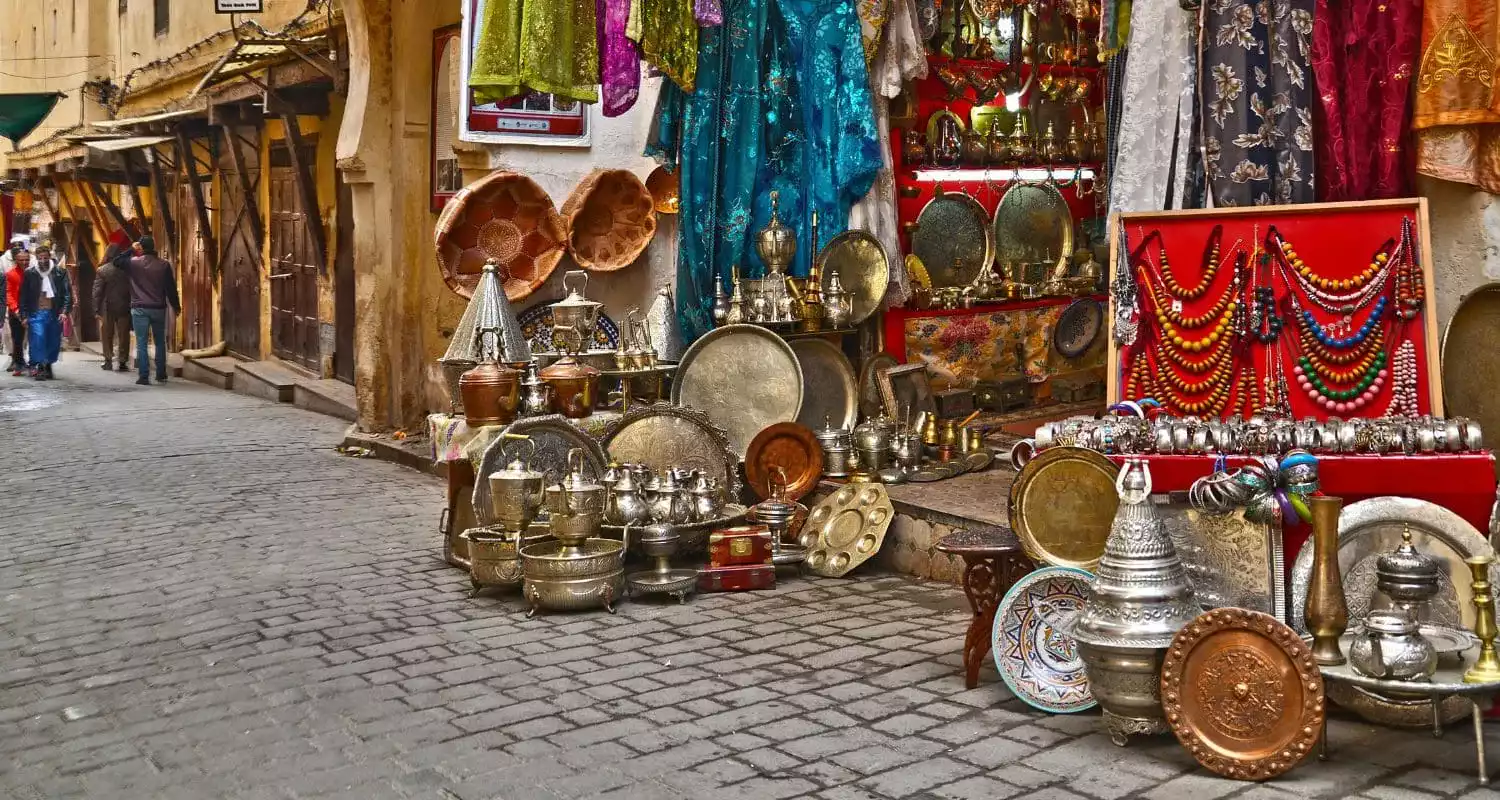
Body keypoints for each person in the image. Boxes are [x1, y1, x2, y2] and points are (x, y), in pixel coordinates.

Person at [115, 235, 179, 386]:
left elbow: (116, 261)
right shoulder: (164, 265)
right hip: (158, 308)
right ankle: (161, 374)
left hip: (139, 309)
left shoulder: (132, 263)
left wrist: (131, 249)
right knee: (160, 342)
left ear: (141, 248)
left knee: (142, 343)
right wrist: (176, 306)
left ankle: (144, 376)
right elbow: (170, 288)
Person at [18, 245, 71, 380]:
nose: (42, 261)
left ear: (50, 257)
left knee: (53, 340)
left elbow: (67, 293)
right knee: (38, 338)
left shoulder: (60, 272)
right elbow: (23, 295)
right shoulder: (30, 273)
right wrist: (24, 315)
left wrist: (64, 311)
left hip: (54, 312)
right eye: (40, 258)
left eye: (45, 258)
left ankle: (48, 365)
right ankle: (40, 366)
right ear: (36, 259)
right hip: (36, 312)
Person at [93, 237, 132, 371]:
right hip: (125, 305)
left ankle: (108, 360)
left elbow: (97, 292)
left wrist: (96, 309)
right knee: (123, 334)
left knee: (107, 334)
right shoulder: (127, 270)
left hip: (107, 306)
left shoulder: (102, 270)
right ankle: (122, 361)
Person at [4, 248, 25, 374]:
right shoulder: (11, 274)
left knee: (33, 338)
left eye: (26, 260)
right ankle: (18, 362)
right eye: (21, 260)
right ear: (16, 261)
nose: (24, 262)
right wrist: (15, 308)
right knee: (17, 338)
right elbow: (8, 293)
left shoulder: (32, 273)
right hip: (16, 310)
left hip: (31, 310)